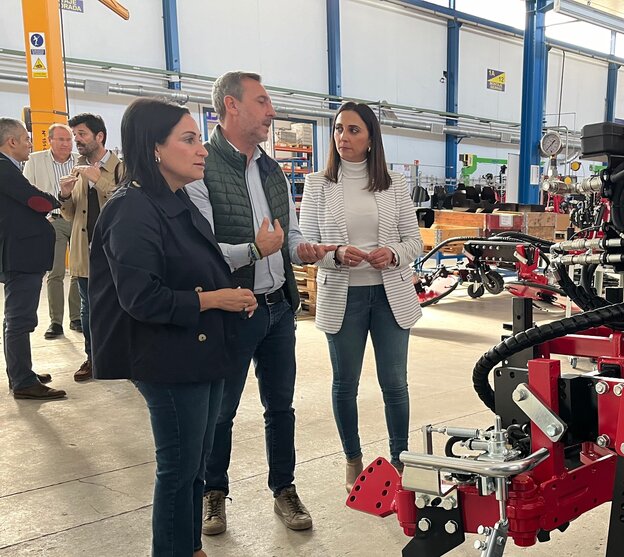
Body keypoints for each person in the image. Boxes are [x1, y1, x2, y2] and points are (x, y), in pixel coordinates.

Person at [89, 98, 258, 557]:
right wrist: (215, 299)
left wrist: (229, 295)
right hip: (165, 357)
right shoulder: (132, 209)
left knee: (194, 465)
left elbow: (199, 264)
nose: (201, 149)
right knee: (179, 468)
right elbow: (141, 298)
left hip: (197, 351)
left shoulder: (177, 200)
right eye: (188, 139)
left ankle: (189, 547)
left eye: (198, 139)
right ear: (155, 148)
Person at [186, 71, 332, 535]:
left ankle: (284, 488)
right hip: (233, 310)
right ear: (232, 106)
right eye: (263, 102)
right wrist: (256, 250)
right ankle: (213, 491)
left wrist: (300, 248)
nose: (272, 112)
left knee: (280, 407)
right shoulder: (201, 169)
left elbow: (287, 234)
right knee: (221, 410)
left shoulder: (272, 170)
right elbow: (204, 254)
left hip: (277, 308)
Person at [298, 101, 423, 492]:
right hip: (343, 297)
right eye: (338, 129)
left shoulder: (393, 183)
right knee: (345, 384)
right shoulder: (318, 183)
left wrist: (394, 254)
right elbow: (306, 242)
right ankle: (353, 459)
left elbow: (414, 241)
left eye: (354, 130)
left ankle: (400, 462)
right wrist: (334, 254)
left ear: (371, 138)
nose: (343, 137)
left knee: (394, 384)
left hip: (390, 297)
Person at [0, 118, 66, 400]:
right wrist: (57, 199)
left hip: (21, 252)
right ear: (11, 142)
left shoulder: (9, 168)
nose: (30, 143)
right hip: (21, 254)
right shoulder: (4, 168)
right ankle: (23, 381)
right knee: (19, 318)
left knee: (16, 318)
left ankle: (20, 372)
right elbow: (35, 201)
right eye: (26, 138)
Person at [58, 113, 124, 381]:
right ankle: (93, 357)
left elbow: (127, 204)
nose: (77, 141)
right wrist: (63, 195)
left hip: (116, 251)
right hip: (85, 251)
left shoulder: (122, 168)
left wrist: (100, 181)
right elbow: (71, 214)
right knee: (88, 308)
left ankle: (121, 358)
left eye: (82, 134)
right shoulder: (77, 169)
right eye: (75, 136)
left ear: (100, 136)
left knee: (121, 306)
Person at [22, 123, 82, 339]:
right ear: (50, 140)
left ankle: (77, 317)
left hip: (77, 220)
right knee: (56, 272)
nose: (67, 144)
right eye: (62, 139)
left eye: (69, 140)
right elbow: (27, 190)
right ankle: (56, 322)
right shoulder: (35, 160)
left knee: (78, 271)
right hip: (52, 220)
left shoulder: (80, 161)